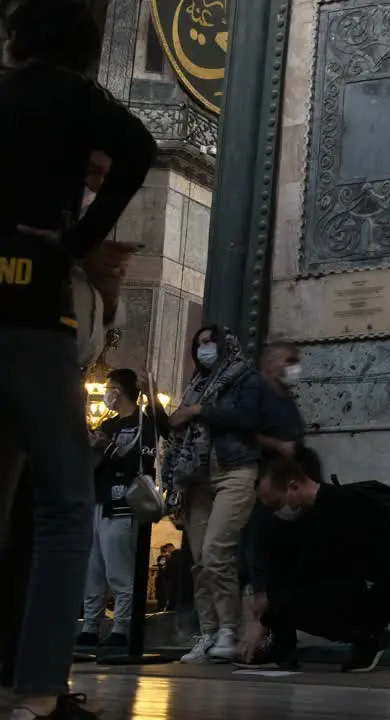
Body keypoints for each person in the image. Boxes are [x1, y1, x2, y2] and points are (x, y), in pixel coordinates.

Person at [0, 0, 157, 715]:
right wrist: (79, 236)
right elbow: (139, 145)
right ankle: (38, 689)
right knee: (66, 507)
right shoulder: (71, 96)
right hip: (34, 306)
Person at [239, 451, 390, 673]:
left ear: (294, 486)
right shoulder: (305, 513)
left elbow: (314, 569)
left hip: (374, 592)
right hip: (347, 584)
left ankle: (370, 636)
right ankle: (282, 647)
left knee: (288, 599)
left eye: (277, 503)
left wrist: (264, 621)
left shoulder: (339, 505)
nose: (276, 511)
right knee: (280, 589)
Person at [167, 327, 266, 663]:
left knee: (216, 551)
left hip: (234, 469)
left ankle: (229, 628)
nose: (204, 348)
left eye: (210, 342)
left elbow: (247, 418)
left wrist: (196, 412)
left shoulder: (246, 378)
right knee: (198, 562)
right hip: (196, 477)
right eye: (199, 344)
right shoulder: (195, 384)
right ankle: (209, 633)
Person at [76, 369, 169, 647]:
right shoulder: (108, 424)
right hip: (98, 500)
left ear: (124, 390)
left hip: (123, 503)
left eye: (111, 387)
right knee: (93, 569)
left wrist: (109, 448)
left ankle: (121, 627)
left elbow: (138, 463)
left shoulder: (143, 424)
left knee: (118, 570)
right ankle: (90, 625)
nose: (107, 392)